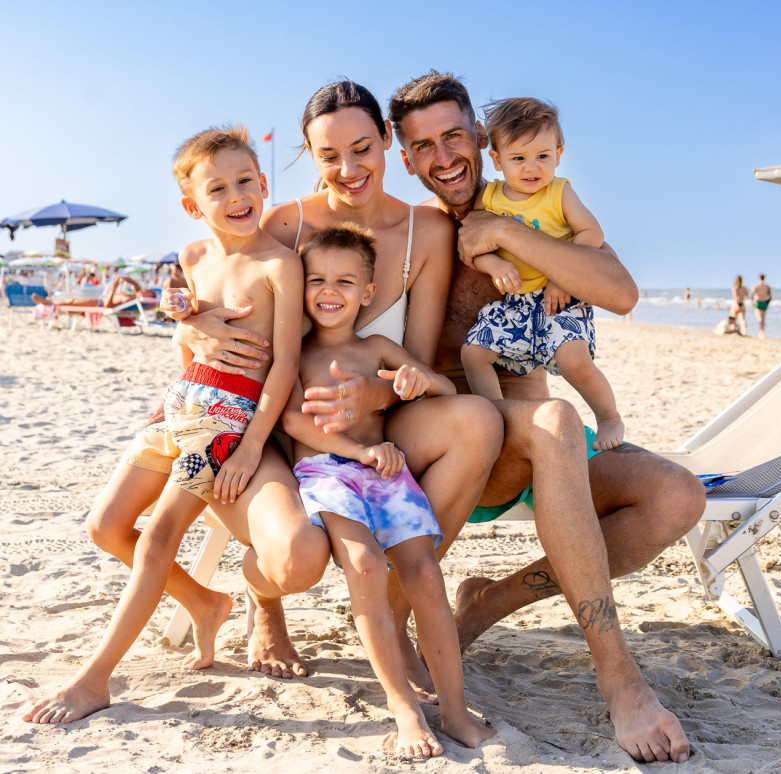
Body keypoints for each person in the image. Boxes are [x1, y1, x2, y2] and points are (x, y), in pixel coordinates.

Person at [374, 70, 703, 763]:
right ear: (405, 158)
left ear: (481, 139)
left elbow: (619, 292)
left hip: (540, 449)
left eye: (454, 136)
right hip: (466, 441)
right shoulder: (419, 234)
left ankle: (488, 604)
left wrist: (508, 232)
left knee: (677, 497)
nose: (444, 157)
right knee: (554, 420)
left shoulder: (541, 209)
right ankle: (620, 677)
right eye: (423, 146)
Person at [169, 80, 502, 685]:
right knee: (295, 557)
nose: (348, 169)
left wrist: (378, 393)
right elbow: (227, 316)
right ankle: (264, 604)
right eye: (328, 156)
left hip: (378, 416)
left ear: (387, 144)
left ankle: (397, 608)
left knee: (480, 422)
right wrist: (189, 334)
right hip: (281, 423)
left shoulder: (426, 229)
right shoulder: (283, 223)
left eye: (362, 149)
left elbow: (415, 357)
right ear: (308, 157)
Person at [22, 125, 303, 724]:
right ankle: (204, 601)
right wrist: (186, 317)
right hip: (177, 405)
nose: (237, 196)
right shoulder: (194, 257)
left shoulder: (280, 265)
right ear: (192, 205)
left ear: (263, 182)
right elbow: (191, 346)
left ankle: (95, 679)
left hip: (227, 420)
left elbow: (285, 365)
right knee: (106, 526)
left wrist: (252, 446)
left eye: (246, 181)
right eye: (218, 187)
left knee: (157, 536)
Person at [283, 223, 494, 756]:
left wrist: (418, 383)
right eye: (317, 280)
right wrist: (357, 451)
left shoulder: (377, 345)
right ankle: (402, 707)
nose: (330, 291)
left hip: (384, 474)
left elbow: (442, 386)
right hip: (329, 473)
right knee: (368, 567)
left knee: (425, 573)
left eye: (346, 282)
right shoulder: (296, 351)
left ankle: (452, 708)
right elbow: (291, 420)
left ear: (368, 293)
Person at [460, 97, 623, 451]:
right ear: (498, 159)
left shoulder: (559, 192)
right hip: (517, 302)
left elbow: (592, 233)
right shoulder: (489, 198)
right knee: (473, 353)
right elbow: (473, 248)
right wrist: (496, 265)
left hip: (561, 297)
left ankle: (609, 416)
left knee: (574, 362)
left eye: (543, 157)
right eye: (518, 158)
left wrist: (563, 277)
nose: (532, 168)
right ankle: (496, 416)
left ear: (559, 154)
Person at [31, 274, 156, 308]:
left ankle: (49, 303)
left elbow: (109, 305)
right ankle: (49, 302)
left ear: (147, 296)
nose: (144, 290)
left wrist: (113, 289)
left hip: (101, 303)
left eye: (147, 291)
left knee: (73, 301)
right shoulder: (135, 294)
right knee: (73, 300)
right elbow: (135, 284)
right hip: (102, 299)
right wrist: (125, 279)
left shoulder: (130, 299)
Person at [751, 274, 772, 338]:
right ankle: (762, 332)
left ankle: (761, 332)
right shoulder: (767, 287)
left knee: (760, 319)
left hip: (758, 302)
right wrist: (767, 303)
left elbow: (752, 296)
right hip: (765, 302)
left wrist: (752, 303)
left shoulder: (756, 286)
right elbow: (770, 297)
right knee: (763, 319)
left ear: (759, 278)